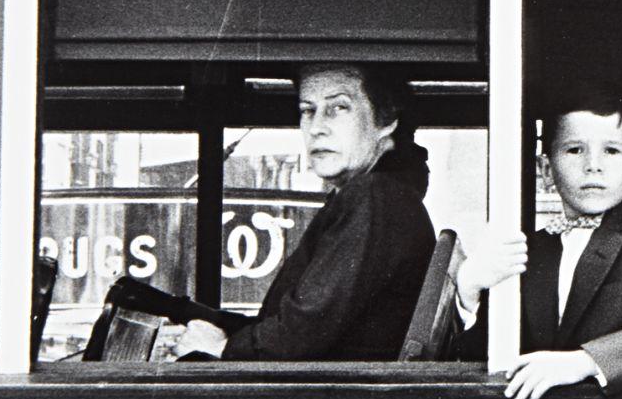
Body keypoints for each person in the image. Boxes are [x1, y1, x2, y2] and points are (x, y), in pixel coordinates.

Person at [455, 81, 622, 399]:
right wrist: (469, 289)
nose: (593, 164)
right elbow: (475, 356)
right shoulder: (528, 249)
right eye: (575, 149)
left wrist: (584, 362)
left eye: (612, 150)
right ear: (546, 170)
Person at [178, 62, 434, 361]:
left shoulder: (375, 196)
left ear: (387, 119)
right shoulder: (386, 195)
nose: (316, 128)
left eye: (338, 108)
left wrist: (223, 348)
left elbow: (302, 332)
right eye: (307, 110)